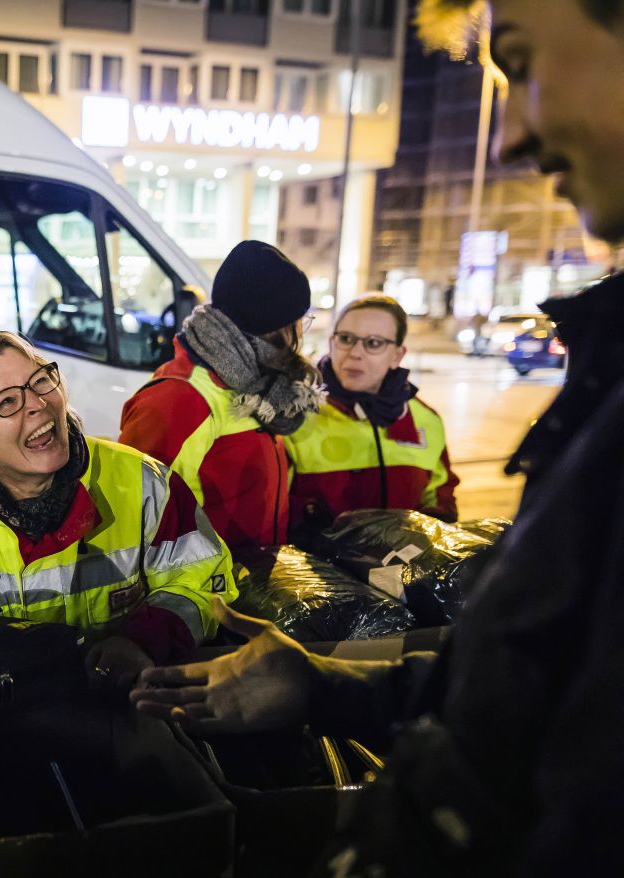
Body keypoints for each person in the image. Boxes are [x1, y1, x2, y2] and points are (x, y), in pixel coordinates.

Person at [133, 0, 624, 873]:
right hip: (225, 625)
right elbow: (536, 689)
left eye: (519, 63)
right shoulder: (196, 403)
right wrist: (325, 682)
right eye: (325, 336)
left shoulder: (404, 415)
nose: (509, 136)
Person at [0, 329, 236, 689]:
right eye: (5, 402)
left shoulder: (144, 482)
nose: (37, 403)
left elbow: (203, 584)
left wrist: (141, 642)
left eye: (40, 381)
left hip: (129, 709)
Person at [118, 240, 322, 552]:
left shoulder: (261, 386)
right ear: (277, 326)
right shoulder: (182, 397)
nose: (301, 333)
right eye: (299, 320)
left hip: (250, 581)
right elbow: (138, 519)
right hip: (210, 592)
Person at [284, 294, 459, 538]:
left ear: (397, 355)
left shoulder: (424, 419)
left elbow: (440, 497)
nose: (355, 353)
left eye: (374, 343)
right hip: (318, 572)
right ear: (331, 343)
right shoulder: (294, 416)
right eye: (346, 339)